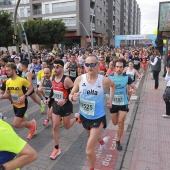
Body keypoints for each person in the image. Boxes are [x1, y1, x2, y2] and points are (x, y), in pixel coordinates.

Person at [69, 55, 115, 170]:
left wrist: (110, 100)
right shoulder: (80, 79)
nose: (89, 67)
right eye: (87, 64)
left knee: (89, 151)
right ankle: (102, 142)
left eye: (92, 64)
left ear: (98, 65)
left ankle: (91, 168)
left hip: (98, 117)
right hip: (84, 116)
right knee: (91, 136)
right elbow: (70, 95)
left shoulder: (103, 80)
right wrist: (72, 97)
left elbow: (113, 86)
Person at [47, 59, 79, 160]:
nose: (55, 69)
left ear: (62, 68)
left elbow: (75, 90)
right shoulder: (52, 78)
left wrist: (66, 99)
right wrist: (49, 98)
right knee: (55, 126)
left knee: (67, 126)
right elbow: (53, 89)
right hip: (56, 105)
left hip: (66, 106)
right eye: (54, 66)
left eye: (57, 67)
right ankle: (56, 148)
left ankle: (76, 118)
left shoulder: (66, 80)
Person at [0, 62, 36, 139]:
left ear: (14, 70)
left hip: (22, 104)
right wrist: (2, 96)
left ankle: (32, 123)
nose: (7, 72)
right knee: (22, 121)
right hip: (14, 104)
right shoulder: (8, 81)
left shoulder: (21, 80)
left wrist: (25, 96)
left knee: (16, 124)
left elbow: (31, 88)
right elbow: (7, 94)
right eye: (6, 70)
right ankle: (32, 128)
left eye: (8, 70)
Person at [109, 58, 137, 151]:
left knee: (121, 122)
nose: (118, 69)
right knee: (115, 122)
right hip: (113, 103)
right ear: (114, 67)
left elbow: (134, 86)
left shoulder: (126, 77)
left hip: (123, 103)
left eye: (121, 67)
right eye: (117, 67)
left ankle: (118, 140)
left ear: (123, 67)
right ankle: (118, 134)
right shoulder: (110, 77)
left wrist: (133, 89)